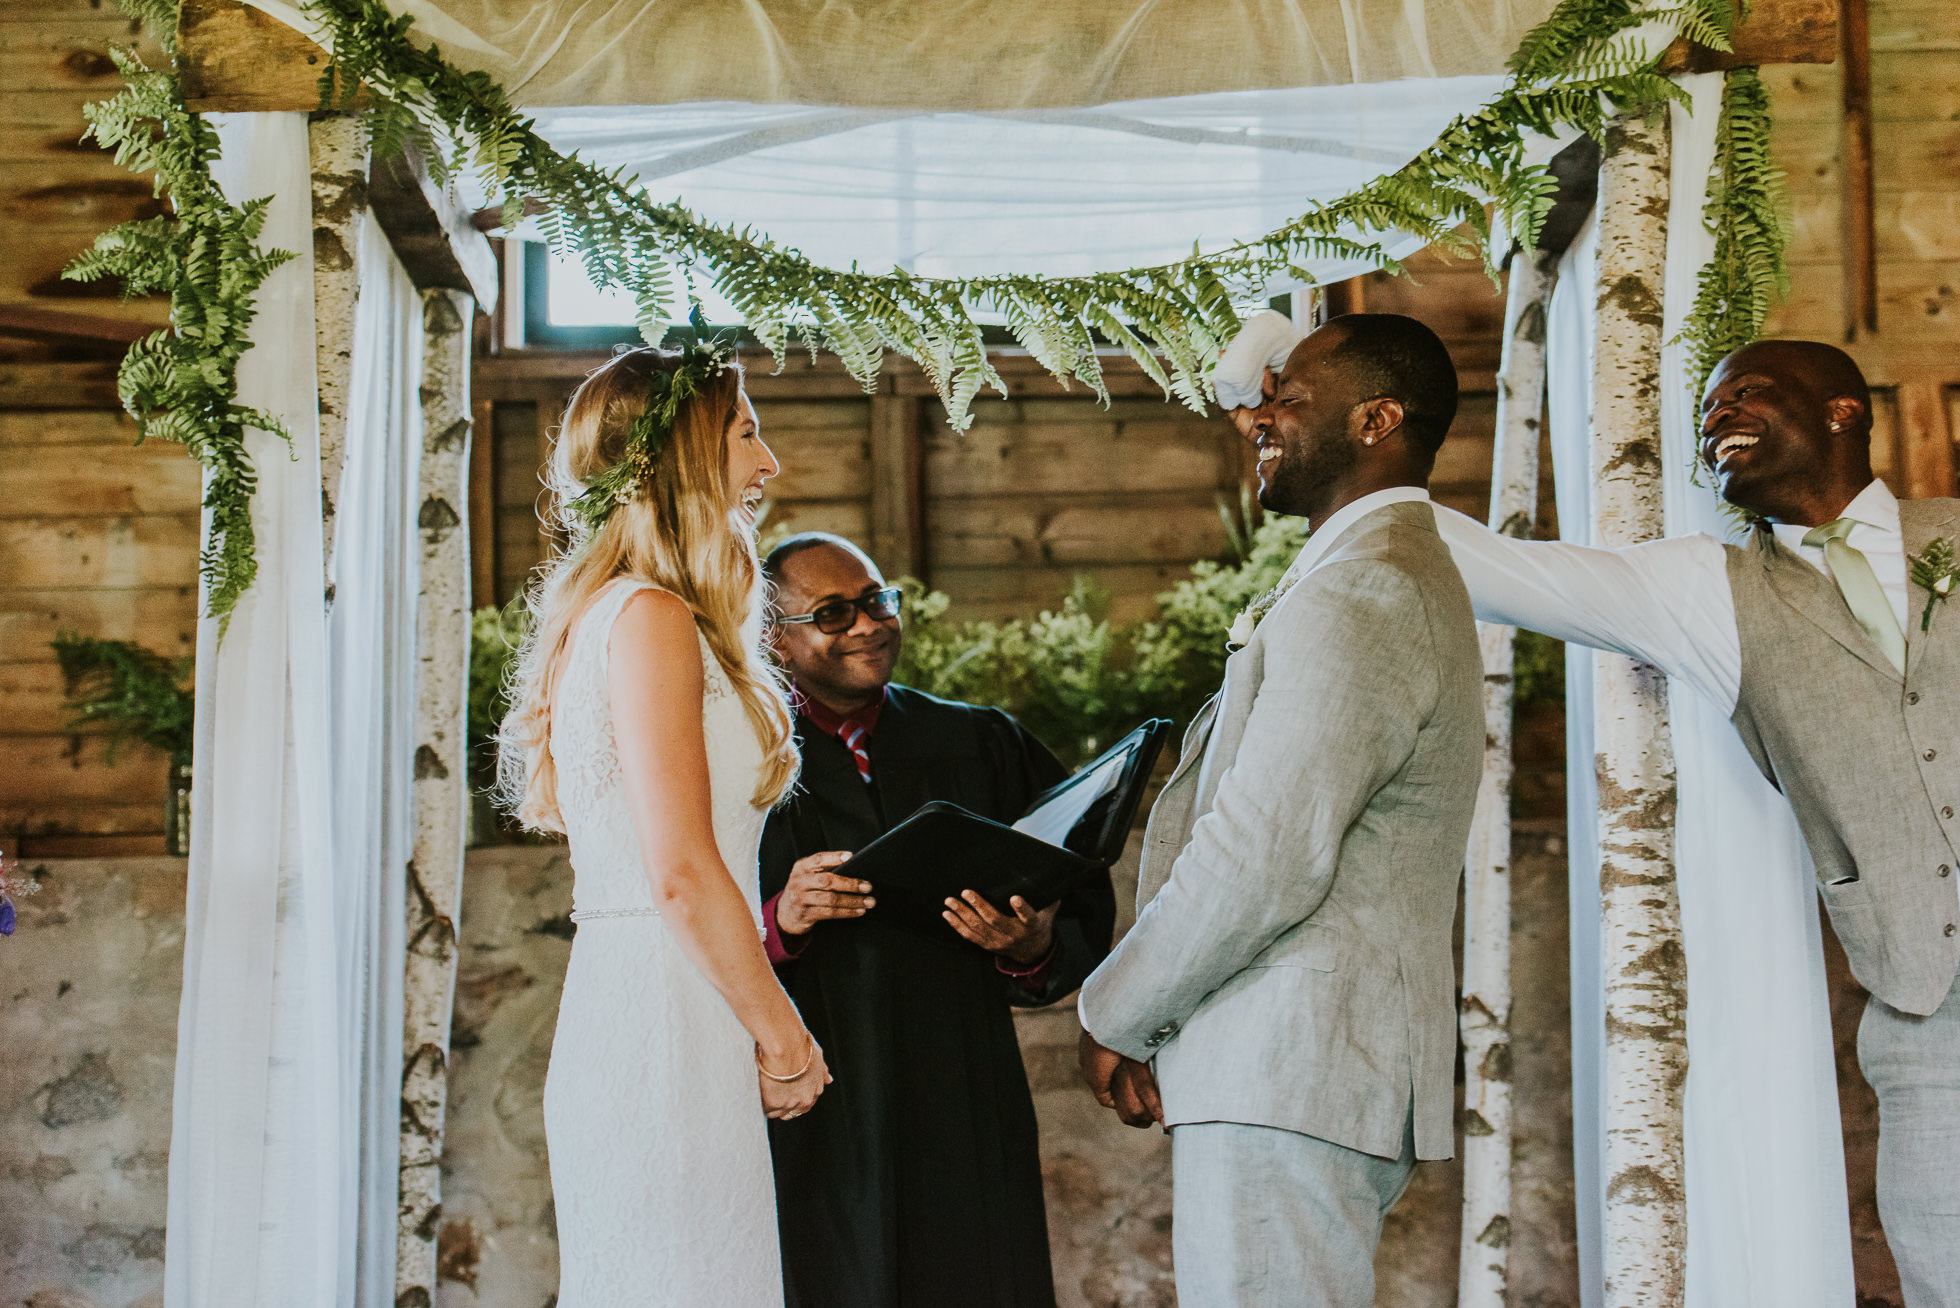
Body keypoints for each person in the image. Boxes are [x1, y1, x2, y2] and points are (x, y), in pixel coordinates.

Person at [1219, 317, 1960, 1307]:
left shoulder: (1951, 530)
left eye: (1745, 392)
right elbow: (1502, 569)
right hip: (1929, 1028)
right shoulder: (1712, 593)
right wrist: (1318, 446)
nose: (1717, 415)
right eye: (1707, 408)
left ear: (1840, 412)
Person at [1076, 315, 1485, 1307]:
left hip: (1295, 1063)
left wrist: (1119, 1011)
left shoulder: (1368, 589)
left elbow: (1264, 853)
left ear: (1376, 420)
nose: (1254, 416)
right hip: (1287, 1067)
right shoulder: (1360, 575)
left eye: (1285, 397)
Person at [496, 345, 826, 1307]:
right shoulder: (647, 618)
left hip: (667, 1006)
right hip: (662, 1024)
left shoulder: (632, 613)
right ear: (681, 452)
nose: (768, 465)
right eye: (747, 432)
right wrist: (785, 1038)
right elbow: (679, 870)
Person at [757, 531, 1117, 1308]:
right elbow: (687, 905)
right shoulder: (746, 760)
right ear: (771, 637)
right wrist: (780, 916)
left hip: (961, 1079)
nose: (868, 624)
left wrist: (1032, 946)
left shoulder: (977, 740)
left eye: (878, 600)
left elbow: (1077, 880)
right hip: (819, 1088)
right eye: (832, 612)